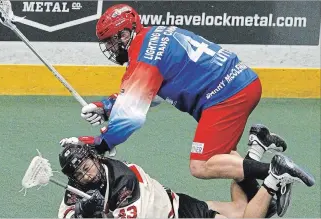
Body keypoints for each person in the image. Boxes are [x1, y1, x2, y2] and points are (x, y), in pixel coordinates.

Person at [64, 3, 291, 215]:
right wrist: (105, 107)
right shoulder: (152, 36)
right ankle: (259, 165)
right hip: (240, 83)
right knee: (222, 157)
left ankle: (275, 173)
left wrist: (102, 142)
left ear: (125, 34)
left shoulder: (144, 56)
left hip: (225, 97)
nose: (110, 48)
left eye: (111, 42)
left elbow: (131, 116)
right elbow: (148, 93)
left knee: (201, 165)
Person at [57, 143, 315, 218]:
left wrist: (96, 215)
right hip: (178, 203)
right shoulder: (79, 186)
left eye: (86, 166)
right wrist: (79, 212)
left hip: (179, 214)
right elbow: (65, 214)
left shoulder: (124, 181)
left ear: (94, 158)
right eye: (78, 173)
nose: (85, 174)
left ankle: (273, 177)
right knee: (240, 210)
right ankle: (256, 147)